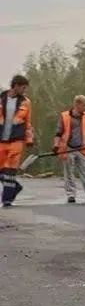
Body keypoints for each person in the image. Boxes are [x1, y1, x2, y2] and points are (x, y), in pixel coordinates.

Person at [0, 74, 33, 208]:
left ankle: (7, 200)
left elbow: (28, 122)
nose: (24, 91)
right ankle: (16, 187)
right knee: (2, 169)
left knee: (10, 171)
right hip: (1, 139)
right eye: (23, 88)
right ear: (16, 86)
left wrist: (29, 139)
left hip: (17, 140)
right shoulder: (1, 98)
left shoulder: (26, 102)